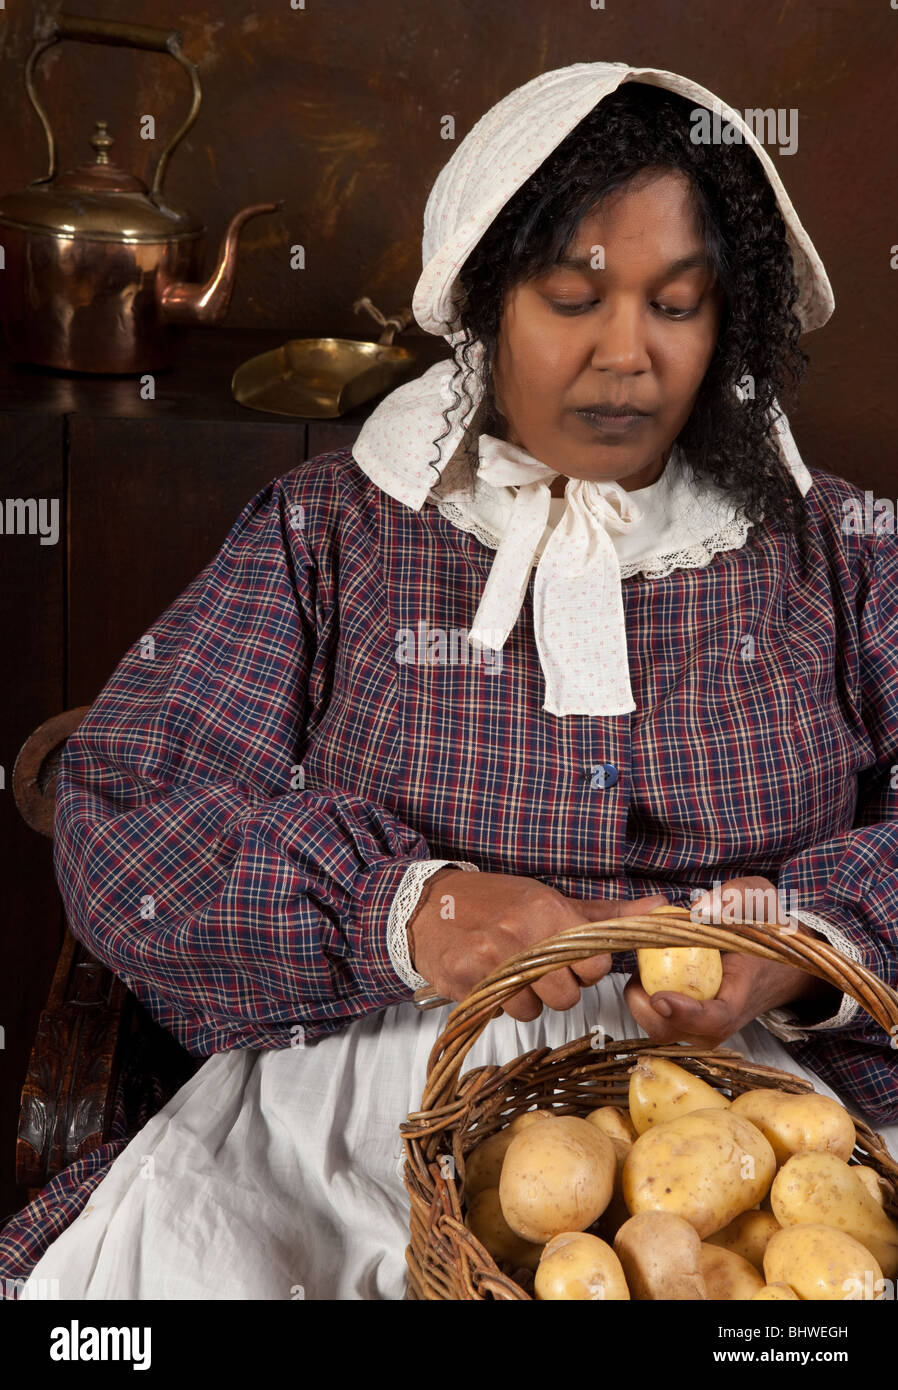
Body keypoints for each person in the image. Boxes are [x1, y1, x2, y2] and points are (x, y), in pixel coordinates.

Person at [3, 61, 897, 1300]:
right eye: (570, 296)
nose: (626, 355)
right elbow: (130, 801)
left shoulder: (839, 551)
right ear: (484, 300)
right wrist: (404, 912)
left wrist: (805, 947)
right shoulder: (331, 532)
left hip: (740, 1122)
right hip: (355, 1092)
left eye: (678, 304)